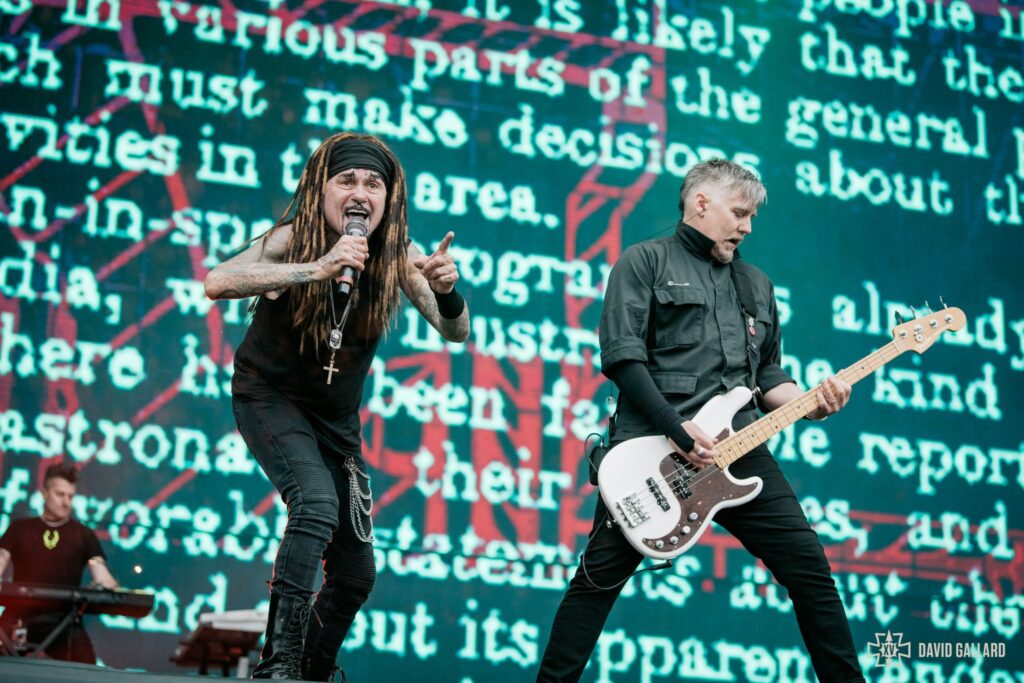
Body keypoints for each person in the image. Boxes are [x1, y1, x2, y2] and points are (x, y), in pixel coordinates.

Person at [536, 159, 864, 682]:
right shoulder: (643, 261)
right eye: (739, 213)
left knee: (810, 569)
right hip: (652, 446)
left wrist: (812, 401)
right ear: (701, 203)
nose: (747, 227)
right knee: (596, 583)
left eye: (753, 216)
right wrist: (675, 426)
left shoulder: (757, 284)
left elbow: (769, 376)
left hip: (738, 450)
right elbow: (622, 358)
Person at [204, 132, 470, 680]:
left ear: (388, 201)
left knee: (355, 574)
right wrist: (317, 268)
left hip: (335, 424)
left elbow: (456, 332)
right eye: (346, 180)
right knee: (316, 504)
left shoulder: (398, 258)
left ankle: (312, 670)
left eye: (373, 184)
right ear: (321, 189)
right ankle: (276, 668)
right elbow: (218, 281)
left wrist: (447, 290)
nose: (360, 192)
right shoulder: (291, 240)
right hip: (268, 396)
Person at [0, 462, 118, 663]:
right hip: (20, 617)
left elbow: (102, 575)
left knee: (88, 672)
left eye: (70, 496)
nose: (66, 502)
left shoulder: (83, 535)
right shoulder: (19, 529)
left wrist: (108, 585)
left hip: (64, 622)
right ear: (45, 493)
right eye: (60, 494)